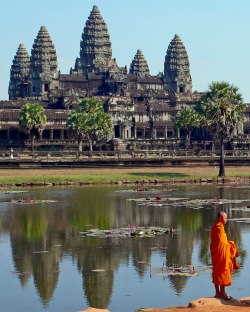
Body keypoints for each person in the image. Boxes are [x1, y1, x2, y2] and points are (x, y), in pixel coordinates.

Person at [210, 211, 239, 300]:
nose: (226, 219)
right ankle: (222, 293)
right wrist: (232, 245)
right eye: (225, 218)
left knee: (216, 271)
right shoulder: (219, 228)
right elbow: (222, 243)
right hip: (221, 254)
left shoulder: (216, 227)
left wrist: (228, 244)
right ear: (220, 218)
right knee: (223, 270)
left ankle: (217, 292)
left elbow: (217, 242)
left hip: (217, 253)